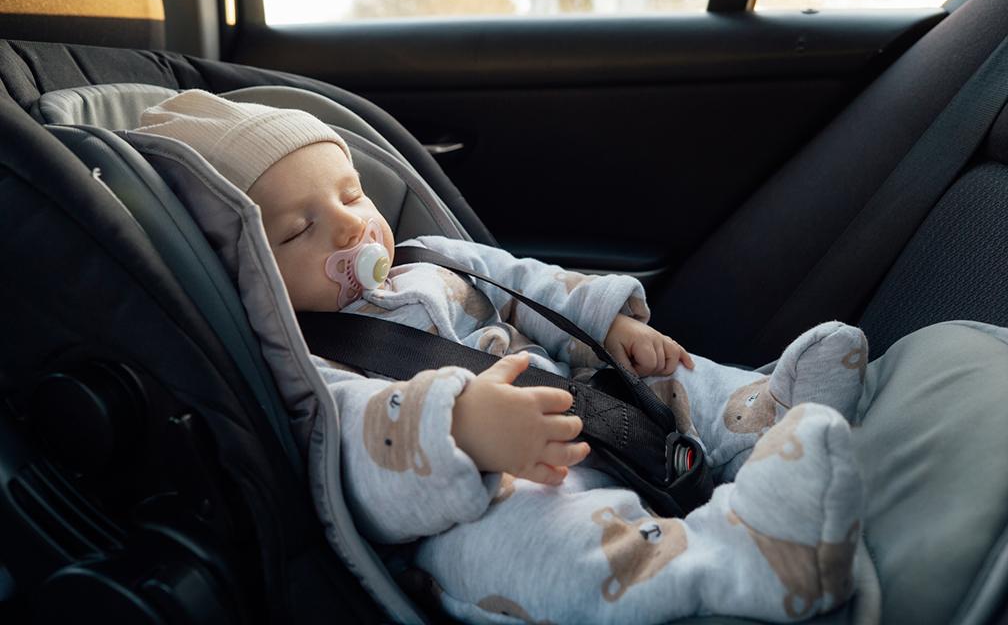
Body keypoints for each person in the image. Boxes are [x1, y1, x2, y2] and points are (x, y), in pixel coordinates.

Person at [135, 90, 866, 624]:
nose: (351, 228)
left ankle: (768, 411)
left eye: (351, 195)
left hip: (583, 401)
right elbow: (356, 450)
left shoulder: (428, 257)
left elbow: (525, 284)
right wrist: (459, 430)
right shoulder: (305, 365)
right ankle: (736, 559)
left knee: (667, 373)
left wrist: (605, 321)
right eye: (299, 230)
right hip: (493, 497)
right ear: (244, 279)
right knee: (532, 555)